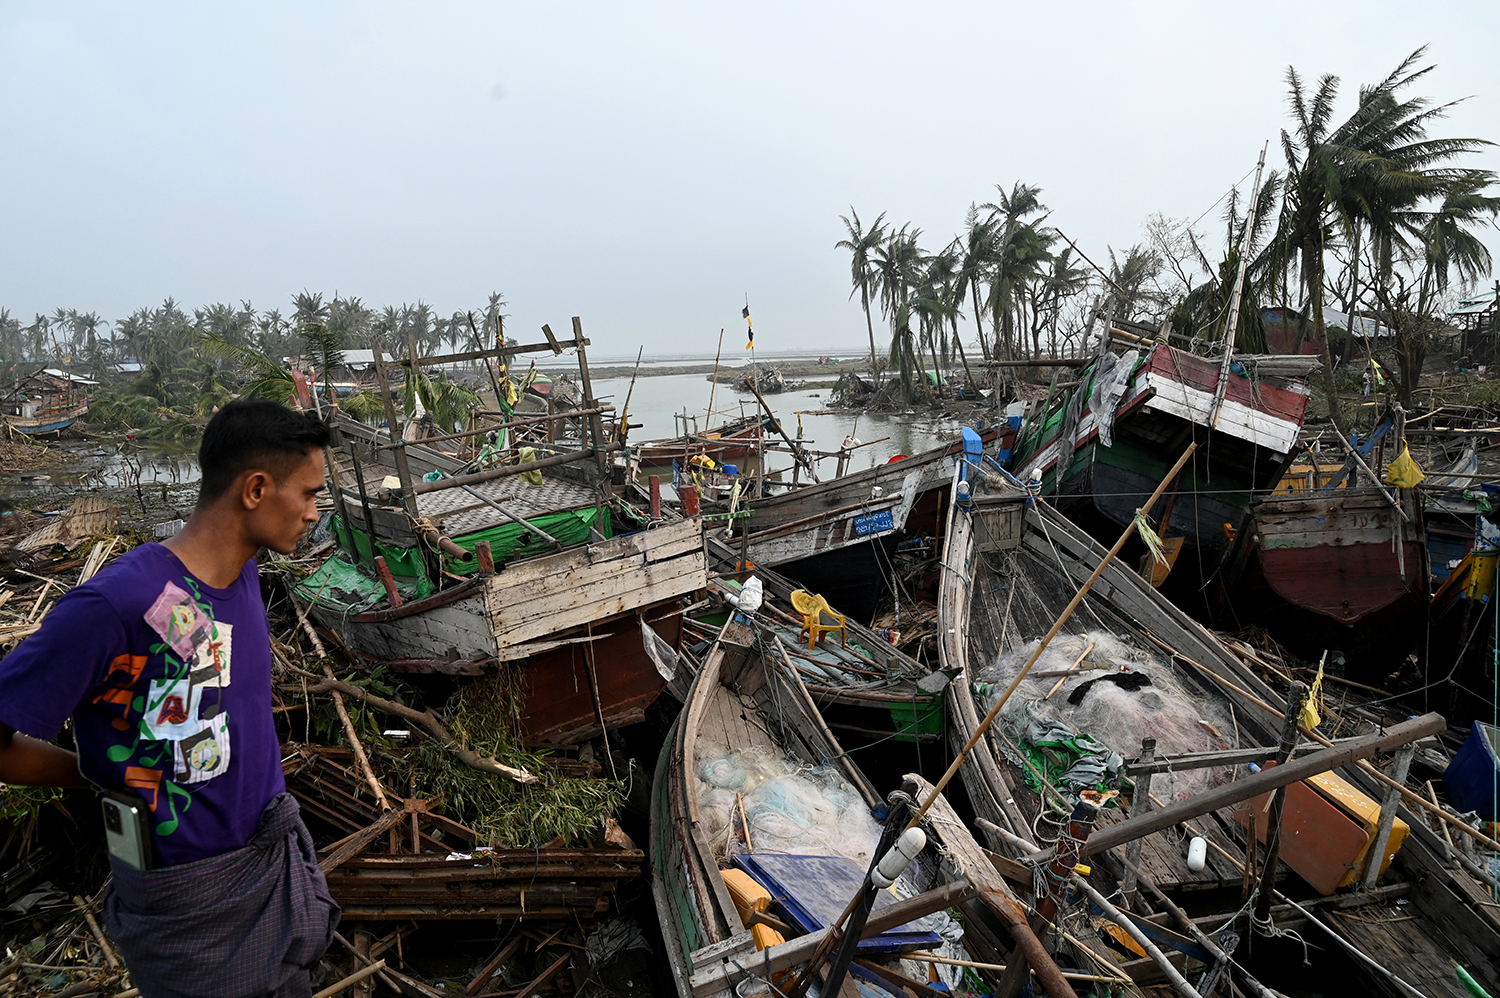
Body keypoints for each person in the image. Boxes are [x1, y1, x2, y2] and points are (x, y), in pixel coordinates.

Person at [0, 399, 341, 998]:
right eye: (309, 493)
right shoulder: (115, 604)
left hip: (267, 867)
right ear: (256, 489)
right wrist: (93, 776)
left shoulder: (242, 576)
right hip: (190, 908)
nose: (315, 513)